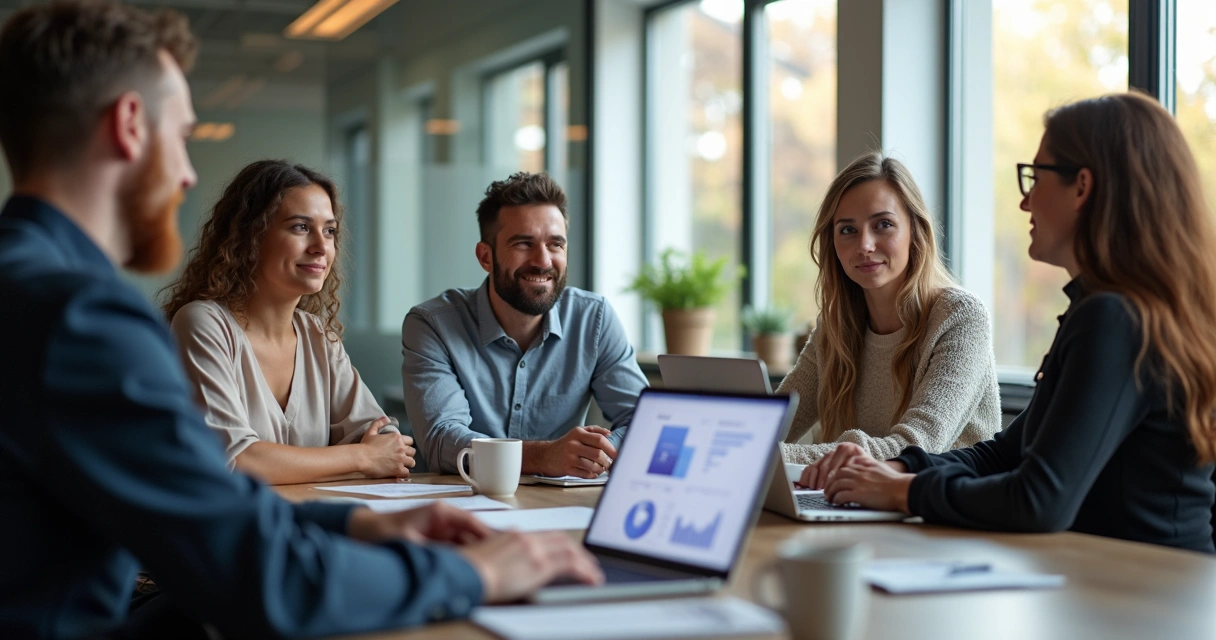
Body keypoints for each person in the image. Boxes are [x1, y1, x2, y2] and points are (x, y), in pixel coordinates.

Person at [0, 2, 600, 637]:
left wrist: (360, 522)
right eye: (180, 136)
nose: (185, 173)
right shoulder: (82, 319)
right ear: (128, 125)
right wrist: (477, 575)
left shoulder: (27, 286)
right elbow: (260, 574)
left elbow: (209, 507)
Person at [814, 92, 1216, 553]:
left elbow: (1039, 499)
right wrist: (903, 468)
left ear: (1081, 187)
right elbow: (1007, 450)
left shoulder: (1116, 319)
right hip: (1103, 579)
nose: (1025, 201)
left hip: (1148, 599)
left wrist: (901, 491)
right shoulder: (1101, 309)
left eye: (1036, 177)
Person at [163, 160, 415, 485]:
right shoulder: (203, 324)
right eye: (300, 227)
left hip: (315, 525)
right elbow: (233, 461)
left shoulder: (319, 337)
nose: (321, 247)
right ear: (250, 237)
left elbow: (386, 441)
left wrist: (374, 452)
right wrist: (361, 457)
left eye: (329, 231)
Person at [403, 172, 648, 476]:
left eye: (555, 244)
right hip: (462, 509)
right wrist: (544, 456)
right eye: (523, 243)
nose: (543, 261)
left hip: (559, 506)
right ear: (485, 257)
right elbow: (442, 442)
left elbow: (645, 421)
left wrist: (594, 454)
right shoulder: (433, 325)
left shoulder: (593, 319)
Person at [777, 151, 1001, 481]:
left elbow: (916, 448)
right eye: (847, 230)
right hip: (854, 504)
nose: (864, 244)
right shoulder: (835, 324)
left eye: (883, 224)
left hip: (942, 516)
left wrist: (765, 453)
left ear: (916, 231)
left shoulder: (960, 318)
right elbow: (775, 422)